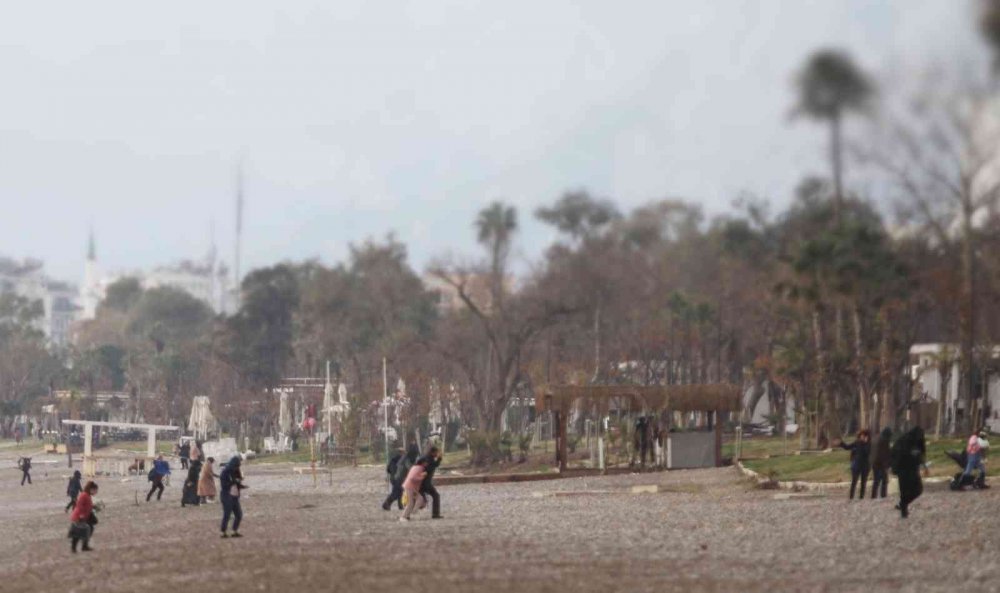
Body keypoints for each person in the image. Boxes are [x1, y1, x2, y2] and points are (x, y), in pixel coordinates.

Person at [891, 426, 927, 519]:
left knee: (918, 489)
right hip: (902, 469)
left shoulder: (919, 442)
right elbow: (895, 454)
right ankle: (904, 510)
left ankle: (903, 504)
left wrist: (924, 465)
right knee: (904, 491)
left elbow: (921, 453)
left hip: (913, 469)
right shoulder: (903, 441)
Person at [837, 429, 871, 500]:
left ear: (866, 437)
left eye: (863, 436)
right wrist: (841, 443)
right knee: (854, 482)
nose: (862, 437)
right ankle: (851, 497)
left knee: (863, 483)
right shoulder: (857, 442)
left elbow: (867, 452)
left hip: (865, 466)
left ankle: (861, 497)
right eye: (861, 435)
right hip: (857, 465)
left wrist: (865, 443)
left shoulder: (868, 444)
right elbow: (847, 447)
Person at [219, 456, 247, 538]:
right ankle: (223, 532)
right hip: (226, 495)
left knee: (239, 514)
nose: (237, 468)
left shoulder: (236, 471)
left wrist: (241, 485)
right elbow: (224, 485)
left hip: (235, 495)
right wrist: (233, 481)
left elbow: (237, 483)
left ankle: (234, 531)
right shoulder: (225, 472)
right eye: (236, 466)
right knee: (227, 515)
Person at [68, 481, 98, 553]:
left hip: (84, 516)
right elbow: (80, 505)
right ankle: (75, 548)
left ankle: (84, 545)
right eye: (95, 490)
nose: (95, 492)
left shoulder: (87, 495)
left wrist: (94, 507)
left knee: (89, 528)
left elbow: (87, 505)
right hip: (79, 517)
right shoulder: (84, 495)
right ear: (91, 489)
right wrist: (81, 515)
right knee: (78, 532)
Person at [383, 445, 415, 511]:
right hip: (398, 478)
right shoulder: (403, 459)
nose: (405, 453)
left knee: (400, 491)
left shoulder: (392, 459)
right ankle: (386, 504)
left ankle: (400, 506)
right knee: (396, 493)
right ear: (401, 452)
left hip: (393, 478)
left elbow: (388, 469)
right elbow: (408, 467)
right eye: (404, 452)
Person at [418, 445, 443, 519]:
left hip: (422, 482)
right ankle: (435, 514)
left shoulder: (426, 457)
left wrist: (439, 458)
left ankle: (407, 514)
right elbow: (432, 467)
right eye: (436, 452)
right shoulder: (429, 459)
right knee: (436, 496)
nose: (437, 453)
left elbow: (434, 465)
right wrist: (439, 458)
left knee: (419, 499)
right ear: (433, 452)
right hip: (425, 483)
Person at [870, 428, 892, 499]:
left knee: (876, 480)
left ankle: (873, 495)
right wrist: (888, 464)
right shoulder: (885, 440)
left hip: (874, 462)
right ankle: (883, 495)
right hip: (881, 463)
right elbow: (885, 453)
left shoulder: (875, 438)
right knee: (884, 480)